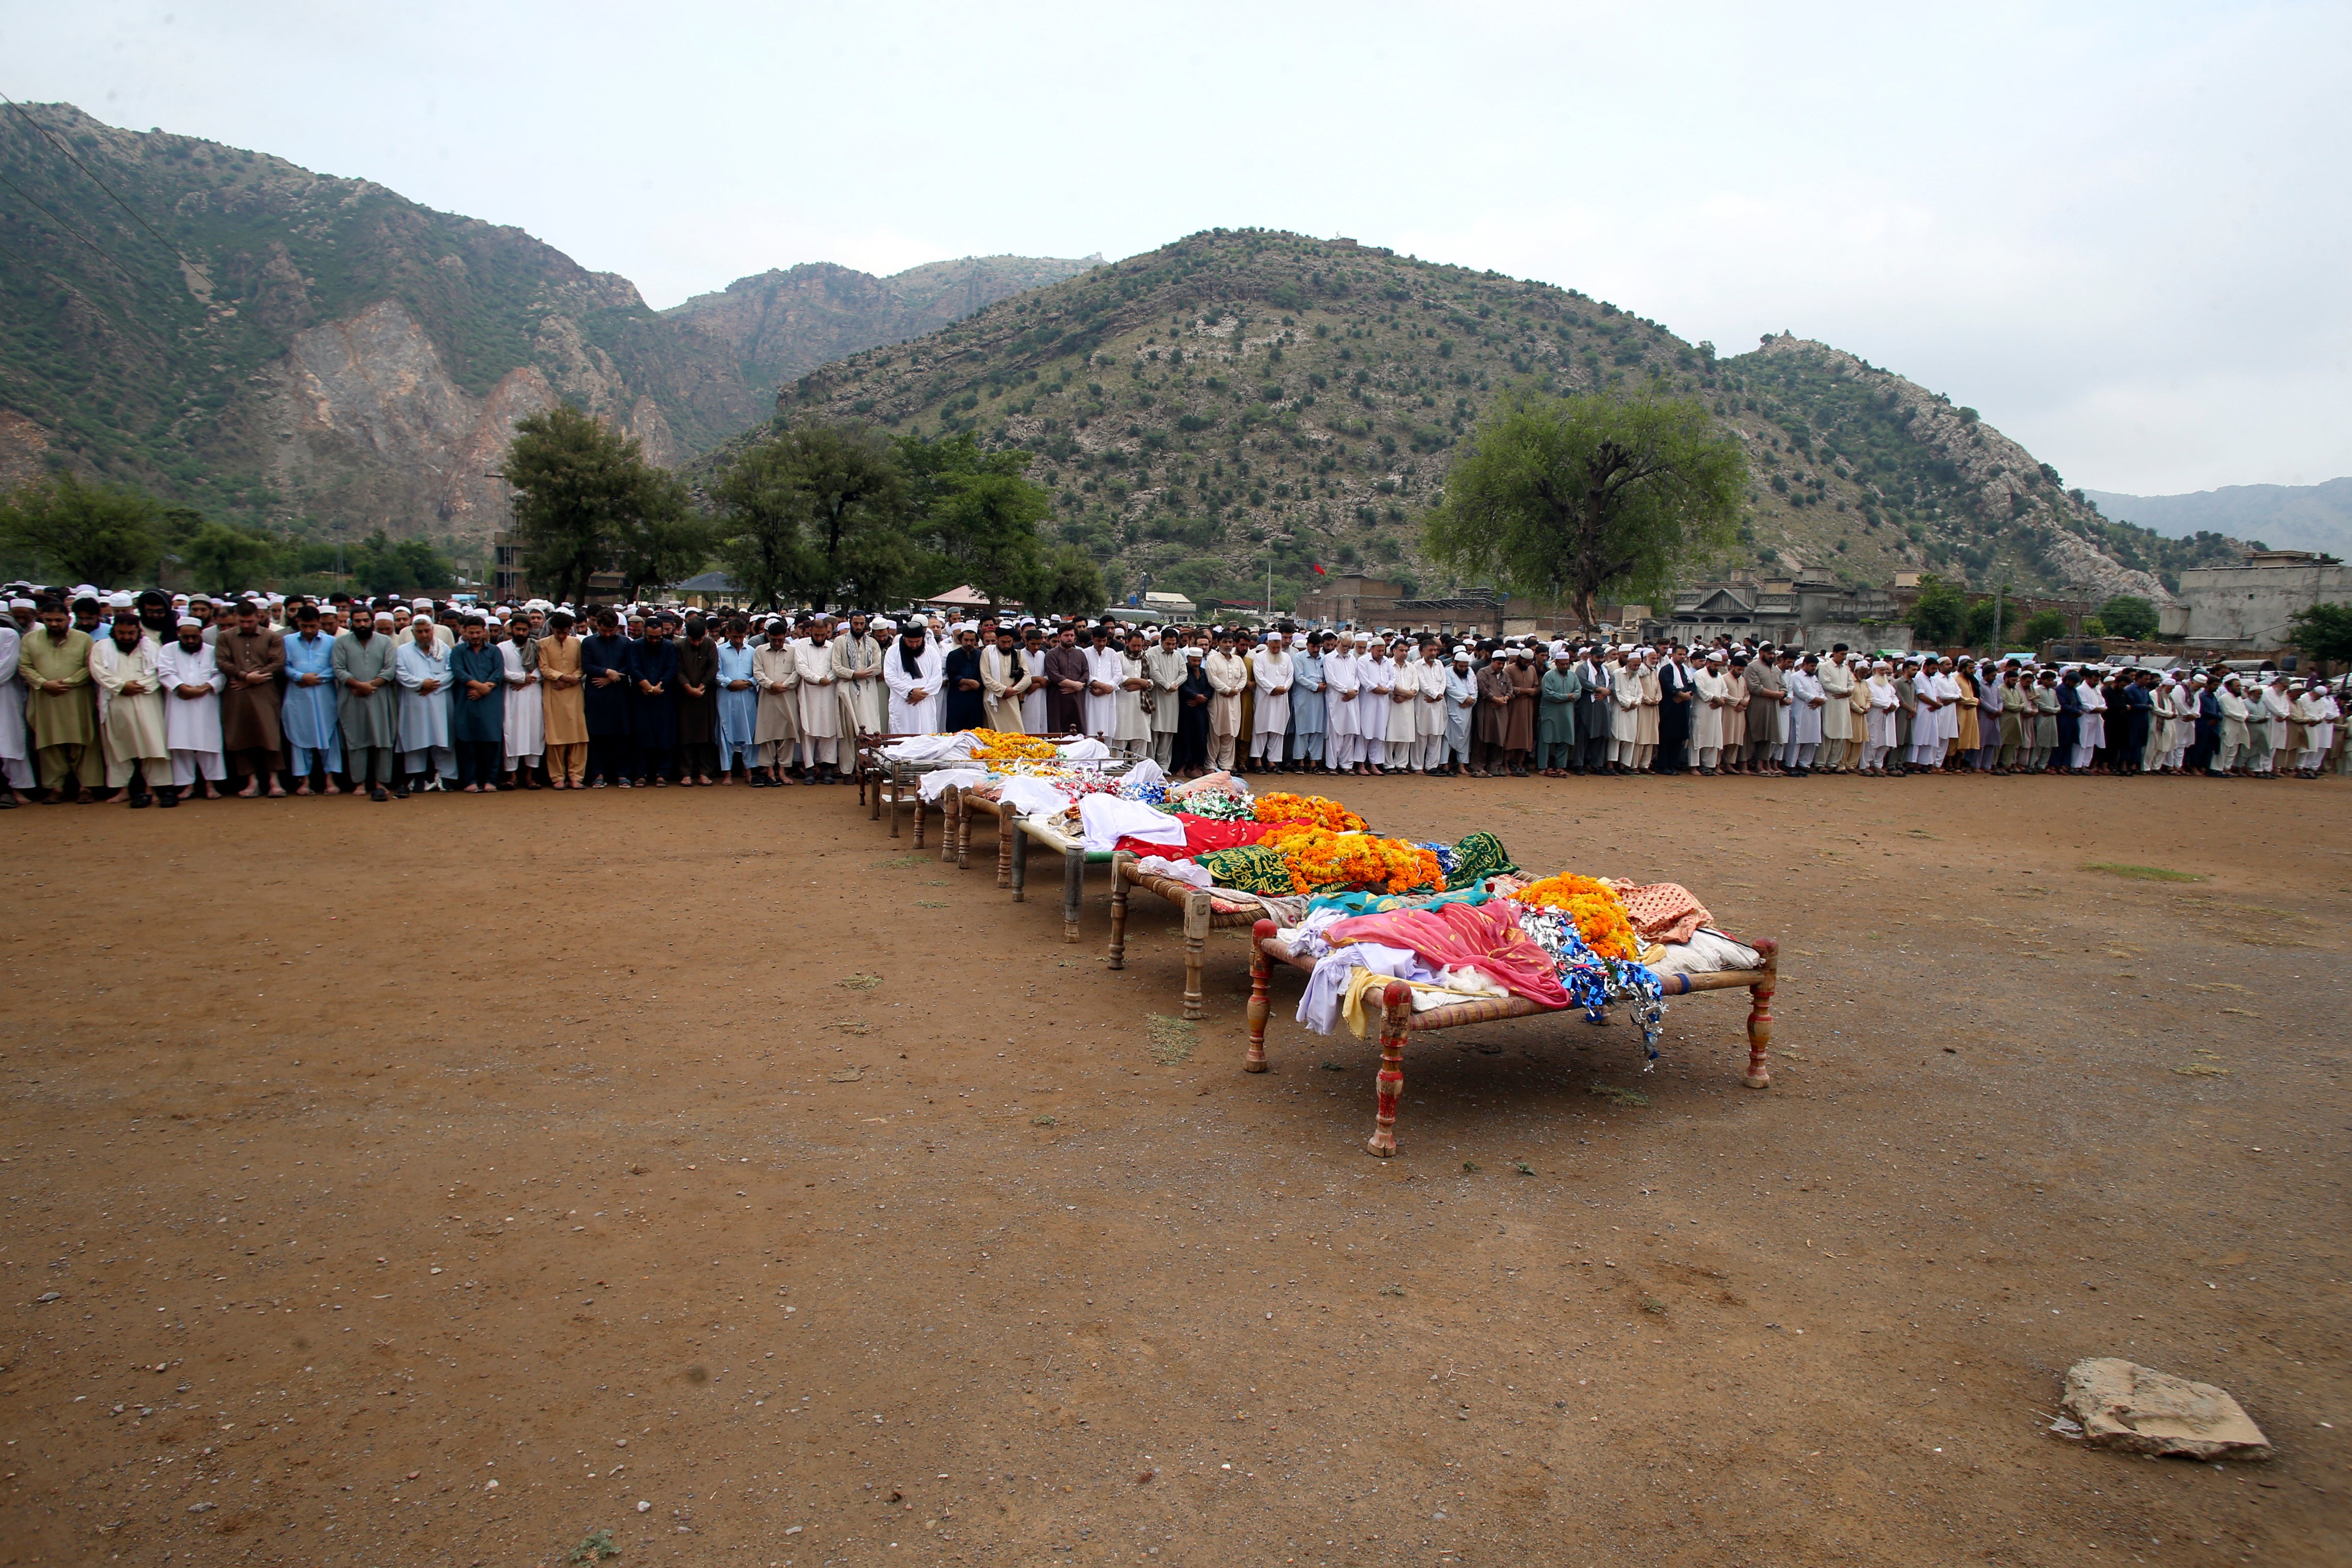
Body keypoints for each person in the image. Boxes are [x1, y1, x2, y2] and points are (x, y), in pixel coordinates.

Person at [24, 600, 102, 801]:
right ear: (42, 619)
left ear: (68, 619)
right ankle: (56, 788)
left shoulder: (83, 639)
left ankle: (87, 787)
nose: (54, 624)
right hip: (45, 697)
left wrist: (68, 683)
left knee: (84, 740)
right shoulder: (30, 639)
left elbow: (90, 667)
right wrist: (44, 683)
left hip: (77, 697)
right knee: (49, 741)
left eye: (59, 620)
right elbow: (24, 666)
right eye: (49, 620)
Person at [90, 612, 167, 806]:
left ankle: (152, 789)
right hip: (116, 700)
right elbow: (98, 671)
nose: (126, 637)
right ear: (114, 631)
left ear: (138, 632)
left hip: (147, 700)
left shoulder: (152, 647)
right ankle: (123, 790)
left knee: (151, 744)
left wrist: (139, 687)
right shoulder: (101, 647)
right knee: (119, 746)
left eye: (131, 633)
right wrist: (121, 686)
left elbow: (159, 671)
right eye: (121, 633)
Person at [214, 601, 286, 797]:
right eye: (242, 622)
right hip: (236, 692)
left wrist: (254, 678)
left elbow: (278, 663)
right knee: (240, 734)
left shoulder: (272, 637)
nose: (246, 625)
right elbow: (222, 662)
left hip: (265, 690)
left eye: (250, 621)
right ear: (236, 618)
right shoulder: (225, 637)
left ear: (259, 617)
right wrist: (244, 676)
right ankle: (251, 781)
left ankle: (274, 781)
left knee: (270, 734)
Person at [154, 616, 227, 804]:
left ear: (201, 634)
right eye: (186, 637)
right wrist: (182, 688)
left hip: (206, 701)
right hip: (179, 701)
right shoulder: (168, 650)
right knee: (181, 744)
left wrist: (204, 688)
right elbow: (165, 673)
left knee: (209, 743)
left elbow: (220, 675)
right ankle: (187, 786)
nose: (190, 641)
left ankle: (211, 785)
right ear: (178, 634)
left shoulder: (211, 651)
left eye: (194, 637)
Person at [332, 609, 399, 801]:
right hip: (352, 697)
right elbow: (339, 669)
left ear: (372, 622)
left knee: (383, 739)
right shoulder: (341, 642)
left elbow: (390, 669)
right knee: (356, 739)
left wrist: (370, 686)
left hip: (380, 696)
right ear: (351, 623)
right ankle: (359, 782)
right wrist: (359, 686)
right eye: (358, 621)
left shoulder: (385, 642)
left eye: (365, 620)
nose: (362, 624)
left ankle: (381, 782)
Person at [279, 604, 342, 796]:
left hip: (324, 694)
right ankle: (304, 781)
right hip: (298, 695)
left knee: (328, 735)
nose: (308, 630)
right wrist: (300, 677)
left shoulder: (331, 641)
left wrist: (319, 678)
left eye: (312, 626)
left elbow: (336, 666)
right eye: (304, 626)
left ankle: (330, 779)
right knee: (299, 735)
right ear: (298, 622)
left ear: (319, 623)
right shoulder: (287, 641)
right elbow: (283, 666)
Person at [394, 618, 454, 794]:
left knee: (443, 739)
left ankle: (446, 777)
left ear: (432, 630)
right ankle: (417, 777)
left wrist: (433, 685)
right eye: (419, 632)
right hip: (415, 700)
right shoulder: (403, 651)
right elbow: (401, 673)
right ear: (413, 633)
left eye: (427, 631)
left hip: (440, 699)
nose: (424, 635)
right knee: (415, 738)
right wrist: (421, 684)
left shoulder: (444, 649)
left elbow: (451, 671)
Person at [447, 616, 506, 792]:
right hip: (467, 699)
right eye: (471, 633)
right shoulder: (458, 651)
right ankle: (470, 780)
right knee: (467, 741)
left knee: (492, 741)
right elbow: (458, 672)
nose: (475, 636)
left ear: (484, 632)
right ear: (464, 632)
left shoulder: (494, 650)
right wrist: (479, 687)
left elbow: (499, 672)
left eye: (478, 632)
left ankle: (490, 780)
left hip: (490, 701)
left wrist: (485, 688)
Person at [581, 610, 634, 788]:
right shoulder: (588, 642)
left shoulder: (626, 642)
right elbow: (586, 666)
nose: (608, 634)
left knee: (621, 736)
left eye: (611, 630)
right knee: (597, 736)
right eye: (604, 630)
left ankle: (622, 774)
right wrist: (606, 672)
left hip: (620, 695)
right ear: (597, 626)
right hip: (597, 694)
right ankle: (598, 774)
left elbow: (630, 665)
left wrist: (612, 677)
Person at [627, 617, 681, 786]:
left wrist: (659, 687)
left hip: (664, 695)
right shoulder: (636, 646)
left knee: (665, 734)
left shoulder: (669, 646)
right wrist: (648, 687)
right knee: (641, 734)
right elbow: (634, 668)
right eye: (651, 637)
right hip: (641, 695)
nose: (654, 641)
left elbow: (671, 668)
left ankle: (662, 773)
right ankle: (641, 773)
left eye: (658, 637)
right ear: (645, 633)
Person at [536, 611, 586, 789]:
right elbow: (544, 668)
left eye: (565, 632)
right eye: (559, 632)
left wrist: (572, 679)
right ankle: (557, 777)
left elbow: (582, 667)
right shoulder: (543, 644)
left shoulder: (577, 643)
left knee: (578, 734)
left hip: (574, 692)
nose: (562, 636)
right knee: (555, 735)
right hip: (553, 692)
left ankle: (576, 777)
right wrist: (563, 677)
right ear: (552, 629)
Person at [749, 619, 800, 786]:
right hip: (768, 696)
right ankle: (769, 769)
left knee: (788, 733)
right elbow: (758, 673)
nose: (778, 643)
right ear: (768, 636)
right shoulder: (760, 651)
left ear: (786, 636)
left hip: (787, 696)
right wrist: (771, 685)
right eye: (774, 640)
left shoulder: (793, 651)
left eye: (781, 640)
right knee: (767, 734)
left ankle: (782, 771)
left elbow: (797, 672)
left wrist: (783, 686)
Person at [710, 618, 760, 782]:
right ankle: (727, 773)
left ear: (746, 634)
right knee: (725, 733)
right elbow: (716, 673)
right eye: (735, 637)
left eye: (741, 637)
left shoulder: (752, 651)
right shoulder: (720, 651)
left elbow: (758, 673)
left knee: (749, 733)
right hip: (727, 696)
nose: (738, 640)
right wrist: (730, 683)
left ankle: (749, 771)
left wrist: (748, 683)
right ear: (728, 633)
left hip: (748, 697)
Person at [500, 613, 544, 789]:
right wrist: (521, 678)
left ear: (529, 630)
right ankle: (512, 776)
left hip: (533, 694)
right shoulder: (502, 648)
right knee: (512, 733)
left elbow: (543, 668)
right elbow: (501, 671)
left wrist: (529, 680)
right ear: (512, 629)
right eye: (518, 629)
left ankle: (530, 777)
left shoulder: (537, 646)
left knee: (535, 732)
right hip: (512, 695)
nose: (521, 633)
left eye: (524, 630)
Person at [674, 616, 720, 786]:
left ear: (705, 634)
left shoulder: (710, 644)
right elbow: (677, 669)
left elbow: (713, 668)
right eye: (693, 640)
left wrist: (702, 686)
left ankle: (704, 773)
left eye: (699, 640)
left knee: (706, 735)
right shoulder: (679, 646)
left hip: (705, 695)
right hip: (684, 696)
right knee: (685, 734)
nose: (697, 643)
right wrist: (688, 688)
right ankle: (686, 773)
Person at [832, 612, 887, 743]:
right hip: (847, 689)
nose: (859, 627)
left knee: (870, 724)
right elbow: (836, 667)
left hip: (868, 689)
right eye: (856, 623)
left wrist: (860, 675)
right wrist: (854, 674)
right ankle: (850, 758)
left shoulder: (872, 643)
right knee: (850, 728)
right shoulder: (840, 641)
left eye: (862, 624)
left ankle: (869, 755)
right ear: (850, 623)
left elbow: (877, 667)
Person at [884, 624, 944, 734]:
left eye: (918, 641)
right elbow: (890, 677)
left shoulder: (931, 652)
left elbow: (937, 678)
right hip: (903, 701)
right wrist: (910, 691)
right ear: (904, 638)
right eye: (911, 642)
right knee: (902, 736)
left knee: (926, 734)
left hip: (925, 702)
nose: (914, 645)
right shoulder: (893, 652)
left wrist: (921, 694)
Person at [1204, 633, 1247, 772]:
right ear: (1218, 643)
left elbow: (1244, 678)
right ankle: (1211, 765)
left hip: (1234, 700)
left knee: (1230, 733)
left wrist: (1235, 690)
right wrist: (1228, 690)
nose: (1228, 645)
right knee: (1215, 733)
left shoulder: (1238, 660)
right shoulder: (1213, 660)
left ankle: (1226, 766)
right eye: (1225, 642)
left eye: (1230, 642)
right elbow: (1213, 679)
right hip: (1218, 700)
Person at [1142, 628, 1186, 765]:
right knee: (1154, 731)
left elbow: (1184, 673)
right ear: (1161, 641)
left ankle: (1163, 765)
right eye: (1168, 644)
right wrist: (1167, 685)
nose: (1171, 647)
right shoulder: (1152, 653)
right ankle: (1150, 763)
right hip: (1157, 696)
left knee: (1168, 732)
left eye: (1174, 644)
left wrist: (1174, 684)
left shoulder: (1178, 655)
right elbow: (1154, 673)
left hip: (1172, 698)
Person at [1250, 631, 1293, 772]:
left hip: (1281, 698)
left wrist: (1284, 688)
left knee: (1278, 730)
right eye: (1274, 647)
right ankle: (1257, 761)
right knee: (1261, 729)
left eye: (1278, 647)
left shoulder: (1286, 658)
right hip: (1265, 698)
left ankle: (1273, 762)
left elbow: (1290, 676)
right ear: (1268, 644)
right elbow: (1259, 677)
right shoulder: (1260, 657)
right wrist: (1273, 689)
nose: (1276, 650)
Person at [985, 627, 1036, 737]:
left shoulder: (1018, 654)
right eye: (1003, 642)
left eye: (1009, 642)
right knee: (996, 735)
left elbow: (1027, 678)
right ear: (997, 639)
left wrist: (1013, 691)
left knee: (1017, 733)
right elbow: (986, 678)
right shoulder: (988, 652)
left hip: (1012, 698)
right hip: (993, 699)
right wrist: (1003, 690)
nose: (1007, 645)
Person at [1536, 646, 1579, 776]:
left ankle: (1560, 767)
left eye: (1567, 664)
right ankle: (1544, 767)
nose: (1565, 666)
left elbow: (1578, 691)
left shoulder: (1573, 676)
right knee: (1547, 740)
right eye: (1563, 664)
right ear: (1556, 663)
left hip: (1567, 714)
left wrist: (1568, 697)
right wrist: (1566, 697)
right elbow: (1548, 694)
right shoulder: (1549, 676)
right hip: (1550, 713)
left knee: (1565, 740)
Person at [1322, 633, 1360, 775]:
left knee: (1349, 732)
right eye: (1345, 646)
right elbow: (1331, 680)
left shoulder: (1353, 659)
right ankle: (1332, 765)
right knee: (1335, 732)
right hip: (1337, 698)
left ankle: (1347, 765)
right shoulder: (1329, 658)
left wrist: (1354, 690)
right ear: (1338, 643)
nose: (1347, 649)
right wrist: (1346, 691)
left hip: (1351, 699)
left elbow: (1357, 678)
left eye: (1349, 647)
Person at [1289, 632, 1327, 775]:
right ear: (1307, 645)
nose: (1316, 650)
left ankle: (1314, 763)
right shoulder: (1299, 657)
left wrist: (1323, 685)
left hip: (1320, 698)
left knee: (1318, 730)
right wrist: (1315, 687)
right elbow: (1299, 678)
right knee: (1303, 730)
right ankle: (1299, 762)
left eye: (1318, 647)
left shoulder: (1323, 658)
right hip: (1304, 697)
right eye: (1313, 647)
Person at [1042, 624, 1090, 736]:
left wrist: (1077, 687)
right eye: (1066, 635)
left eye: (1072, 635)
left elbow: (1086, 673)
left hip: (1077, 698)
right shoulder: (1051, 654)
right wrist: (1075, 685)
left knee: (1078, 732)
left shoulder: (1080, 654)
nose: (1070, 638)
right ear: (1059, 637)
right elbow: (1054, 676)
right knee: (1057, 731)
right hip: (1058, 697)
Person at [1172, 645, 1211, 776]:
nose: (1197, 664)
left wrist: (1201, 699)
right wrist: (1195, 696)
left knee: (1200, 738)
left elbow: (1211, 688)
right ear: (1188, 658)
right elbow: (1182, 687)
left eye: (1199, 661)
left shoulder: (1204, 672)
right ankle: (1183, 767)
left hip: (1201, 711)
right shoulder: (1183, 671)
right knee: (1184, 738)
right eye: (1194, 661)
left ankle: (1195, 766)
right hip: (1186, 711)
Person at [1783, 653, 1824, 776]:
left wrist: (1821, 701)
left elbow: (1822, 692)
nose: (1814, 668)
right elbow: (1800, 693)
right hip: (1800, 713)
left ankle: (1804, 764)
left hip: (1814, 713)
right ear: (1804, 664)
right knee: (1797, 740)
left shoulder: (1814, 678)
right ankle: (1790, 765)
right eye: (1812, 666)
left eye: (1815, 666)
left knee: (1812, 739)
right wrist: (1817, 700)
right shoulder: (1796, 677)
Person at [1081, 624, 1123, 740]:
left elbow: (1118, 675)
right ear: (1093, 639)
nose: (1102, 644)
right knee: (1090, 731)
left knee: (1107, 731)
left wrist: (1106, 689)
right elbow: (1084, 674)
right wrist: (1101, 686)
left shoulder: (1112, 653)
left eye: (1104, 641)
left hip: (1108, 697)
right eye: (1099, 641)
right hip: (1091, 696)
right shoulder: (1085, 653)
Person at [1692, 649, 1730, 775]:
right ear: (1708, 663)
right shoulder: (1699, 674)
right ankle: (1694, 767)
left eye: (1719, 665)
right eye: (1715, 665)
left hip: (1716, 712)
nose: (1717, 668)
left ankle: (1709, 766)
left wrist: (1722, 701)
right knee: (1698, 738)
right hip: (1702, 711)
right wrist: (1717, 700)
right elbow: (1701, 692)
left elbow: (1725, 691)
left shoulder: (1719, 676)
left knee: (1714, 738)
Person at [1817, 646, 1855, 773]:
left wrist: (1848, 692)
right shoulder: (1825, 667)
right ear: (1834, 653)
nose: (1844, 657)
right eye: (1842, 654)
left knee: (1841, 733)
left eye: (1845, 655)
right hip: (1831, 703)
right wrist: (1845, 691)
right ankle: (1820, 763)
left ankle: (1833, 763)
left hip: (1843, 705)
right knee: (1828, 732)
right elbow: (1826, 684)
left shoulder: (1846, 669)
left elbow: (1852, 684)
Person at [943, 627, 987, 733]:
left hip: (975, 698)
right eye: (966, 640)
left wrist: (977, 684)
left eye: (972, 640)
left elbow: (985, 674)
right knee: (956, 729)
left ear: (976, 640)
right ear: (961, 639)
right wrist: (969, 682)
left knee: (975, 729)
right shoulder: (953, 655)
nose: (969, 643)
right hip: (957, 697)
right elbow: (952, 676)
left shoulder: (980, 655)